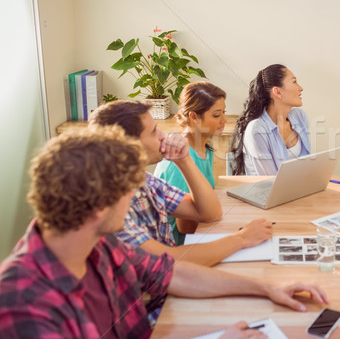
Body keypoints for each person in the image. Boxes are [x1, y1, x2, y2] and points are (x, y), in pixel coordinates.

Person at [0, 127, 327, 338]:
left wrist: (268, 288)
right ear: (99, 207)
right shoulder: (23, 304)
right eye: (129, 189)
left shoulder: (101, 245)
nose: (134, 197)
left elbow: (171, 275)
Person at [88, 101, 273, 267]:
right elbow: (168, 261)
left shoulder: (144, 180)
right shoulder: (107, 205)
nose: (163, 135)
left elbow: (210, 213)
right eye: (153, 131)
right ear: (127, 146)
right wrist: (241, 239)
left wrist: (184, 160)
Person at [154, 82, 256, 245]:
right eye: (216, 115)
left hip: (201, 231)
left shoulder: (204, 149)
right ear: (193, 117)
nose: (224, 120)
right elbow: (186, 228)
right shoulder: (179, 161)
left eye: (224, 112)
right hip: (183, 245)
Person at [231, 64, 310, 175]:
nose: (300, 88)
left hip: (295, 189)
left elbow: (305, 165)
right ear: (277, 92)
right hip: (266, 190)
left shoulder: (299, 116)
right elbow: (270, 181)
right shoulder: (257, 129)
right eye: (294, 82)